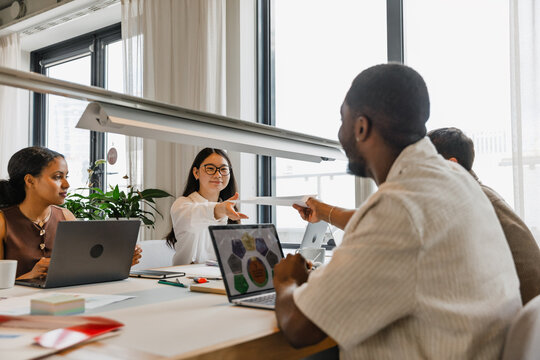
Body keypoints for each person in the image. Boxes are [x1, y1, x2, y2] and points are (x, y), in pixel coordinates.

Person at [274, 63, 521, 359]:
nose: (339, 133)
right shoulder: (453, 180)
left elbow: (300, 328)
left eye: (342, 120)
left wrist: (287, 280)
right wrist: (323, 211)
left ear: (361, 127)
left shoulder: (401, 205)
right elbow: (384, 227)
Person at [428, 126, 540, 305]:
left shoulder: (473, 201)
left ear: (452, 165)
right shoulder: (473, 194)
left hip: (521, 317)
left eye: (427, 163)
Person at [0, 146, 142, 280]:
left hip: (62, 301)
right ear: (30, 181)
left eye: (66, 176)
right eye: (57, 177)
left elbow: (82, 266)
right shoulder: (3, 221)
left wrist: (119, 262)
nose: (66, 184)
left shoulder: (66, 216)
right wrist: (30, 275)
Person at [166, 148, 248, 265]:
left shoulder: (230, 209)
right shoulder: (182, 204)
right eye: (210, 169)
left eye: (223, 169)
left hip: (218, 276)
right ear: (196, 172)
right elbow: (197, 216)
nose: (218, 174)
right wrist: (221, 209)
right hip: (187, 277)